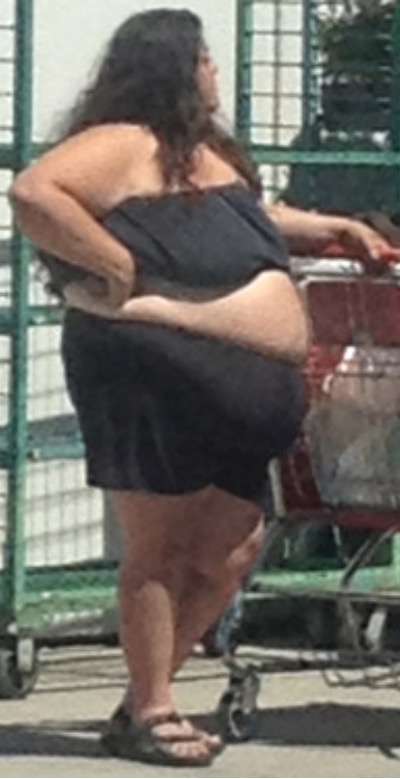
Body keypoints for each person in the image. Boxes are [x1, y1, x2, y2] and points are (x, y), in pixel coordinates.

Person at [9, 9, 399, 767]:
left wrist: (334, 227)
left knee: (233, 545)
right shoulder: (123, 141)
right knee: (160, 545)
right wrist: (116, 264)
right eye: (205, 60)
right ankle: (153, 707)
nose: (214, 73)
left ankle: (142, 697)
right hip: (150, 376)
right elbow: (34, 193)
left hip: (240, 398)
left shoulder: (206, 154)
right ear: (172, 68)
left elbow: (248, 218)